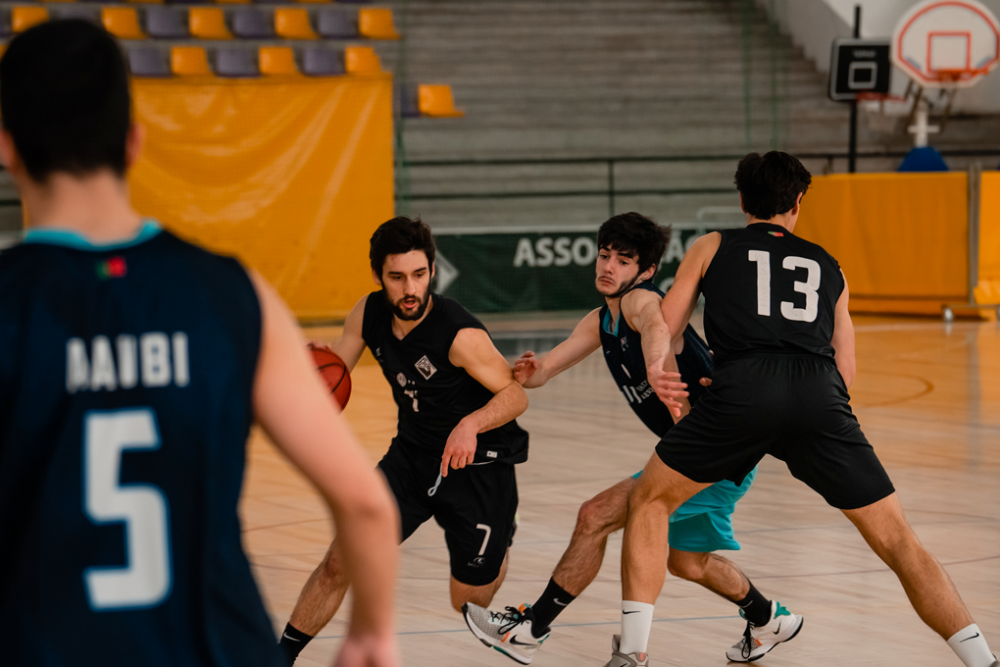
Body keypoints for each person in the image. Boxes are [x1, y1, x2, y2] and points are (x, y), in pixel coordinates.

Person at [0, 20, 399, 667]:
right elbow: (365, 504)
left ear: (8, 146)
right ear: (133, 143)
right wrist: (372, 635)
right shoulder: (234, 295)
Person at [610, 151, 999, 667]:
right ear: (798, 202)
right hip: (820, 394)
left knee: (650, 502)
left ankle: (633, 655)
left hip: (742, 391)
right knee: (899, 541)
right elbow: (846, 367)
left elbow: (671, 324)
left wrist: (666, 369)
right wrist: (811, 407)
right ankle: (983, 660)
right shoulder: (828, 263)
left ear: (742, 200)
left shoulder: (712, 245)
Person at [462, 212, 801, 665]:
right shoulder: (600, 319)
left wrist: (657, 367)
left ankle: (531, 628)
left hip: (717, 451)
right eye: (605, 256)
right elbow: (548, 367)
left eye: (624, 261)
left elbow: (657, 325)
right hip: (705, 453)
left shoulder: (643, 302)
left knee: (595, 515)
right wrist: (530, 371)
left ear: (645, 272)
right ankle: (770, 619)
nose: (609, 267)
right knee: (687, 562)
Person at [279, 216, 531, 664]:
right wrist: (309, 366)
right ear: (378, 276)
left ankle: (499, 539)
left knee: (466, 599)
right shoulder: (369, 312)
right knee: (342, 558)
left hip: (477, 466)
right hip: (411, 459)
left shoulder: (460, 335)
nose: (410, 288)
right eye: (397, 277)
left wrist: (471, 424)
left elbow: (514, 395)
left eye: (419, 275)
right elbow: (336, 369)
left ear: (432, 271)